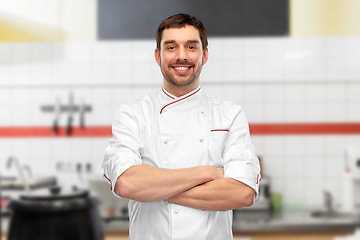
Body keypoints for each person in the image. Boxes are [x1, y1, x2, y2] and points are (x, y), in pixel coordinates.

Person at [102, 13, 261, 240]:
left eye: (191, 47)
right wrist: (208, 173)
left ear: (204, 55)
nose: (181, 56)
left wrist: (154, 188)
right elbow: (127, 184)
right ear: (158, 56)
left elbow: (242, 193)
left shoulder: (229, 114)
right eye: (171, 47)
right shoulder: (133, 114)